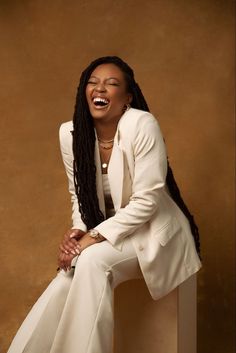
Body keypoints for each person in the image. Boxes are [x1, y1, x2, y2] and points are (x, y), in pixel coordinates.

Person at [7, 56, 201, 353]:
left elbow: (147, 201)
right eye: (93, 83)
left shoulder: (142, 125)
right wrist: (76, 234)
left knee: (93, 260)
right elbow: (79, 195)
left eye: (112, 84)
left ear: (127, 98)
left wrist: (93, 238)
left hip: (154, 235)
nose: (100, 89)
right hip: (112, 234)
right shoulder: (70, 134)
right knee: (73, 266)